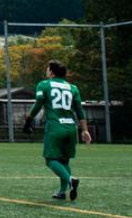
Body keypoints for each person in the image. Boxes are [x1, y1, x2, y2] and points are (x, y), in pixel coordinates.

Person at [23, 60, 92, 201]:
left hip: (55, 127)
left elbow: (38, 104)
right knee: (64, 161)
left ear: (52, 72)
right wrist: (84, 130)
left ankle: (70, 180)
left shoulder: (44, 85)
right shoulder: (73, 88)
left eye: (47, 69)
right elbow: (79, 111)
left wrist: (28, 120)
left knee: (50, 160)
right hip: (71, 128)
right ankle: (62, 192)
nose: (46, 71)